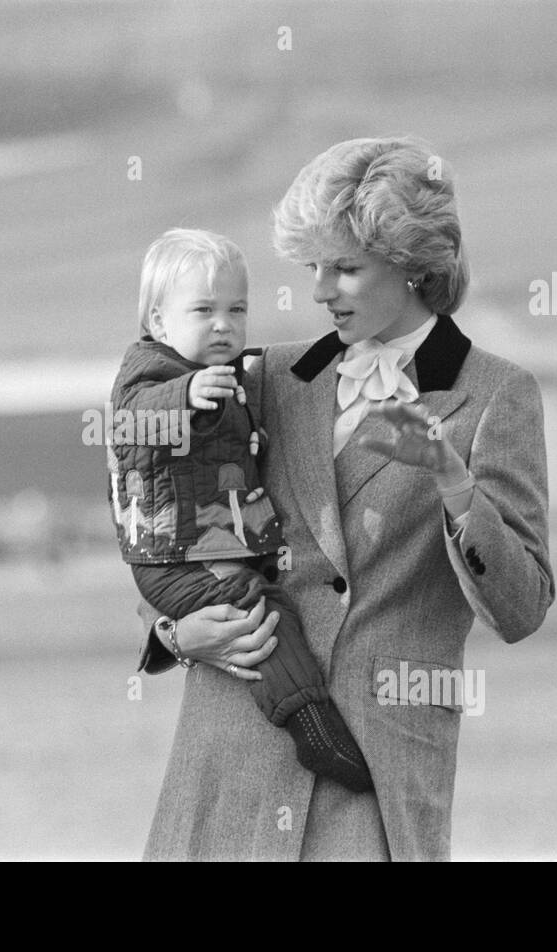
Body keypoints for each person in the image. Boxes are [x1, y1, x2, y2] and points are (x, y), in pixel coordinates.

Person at [136, 137, 555, 861]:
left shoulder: (496, 396)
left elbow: (521, 606)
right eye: (313, 267)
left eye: (346, 268)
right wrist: (175, 636)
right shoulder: (258, 377)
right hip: (230, 751)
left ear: (415, 267)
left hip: (379, 772)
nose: (320, 290)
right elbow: (157, 516)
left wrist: (454, 483)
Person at [109, 228, 371, 793]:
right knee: (256, 605)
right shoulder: (151, 372)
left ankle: (307, 714)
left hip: (207, 545)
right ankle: (309, 721)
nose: (224, 324)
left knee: (257, 594)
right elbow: (130, 419)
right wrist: (184, 396)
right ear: (158, 321)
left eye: (237, 309)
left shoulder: (247, 375)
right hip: (173, 556)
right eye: (203, 310)